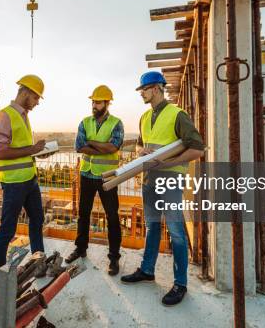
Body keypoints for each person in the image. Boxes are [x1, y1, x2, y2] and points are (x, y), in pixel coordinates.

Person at [120, 71, 205, 306]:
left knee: (176, 231)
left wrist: (168, 162)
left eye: (144, 90)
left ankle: (180, 284)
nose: (142, 94)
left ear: (156, 88)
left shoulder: (178, 115)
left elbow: (198, 149)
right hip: (149, 179)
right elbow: (140, 145)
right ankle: (147, 270)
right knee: (152, 227)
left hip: (170, 179)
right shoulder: (145, 118)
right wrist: (141, 152)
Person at [0, 74, 48, 284]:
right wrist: (32, 149)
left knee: (37, 219)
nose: (37, 102)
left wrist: (38, 152)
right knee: (7, 229)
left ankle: (39, 261)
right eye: (36, 97)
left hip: (29, 180)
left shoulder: (23, 115)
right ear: (26, 93)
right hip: (14, 183)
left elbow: (20, 149)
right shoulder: (5, 116)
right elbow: (2, 152)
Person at [65, 85, 124, 276]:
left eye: (98, 102)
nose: (94, 105)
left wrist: (90, 143)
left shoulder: (116, 123)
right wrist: (100, 146)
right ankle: (81, 248)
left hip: (107, 176)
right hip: (87, 174)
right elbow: (79, 147)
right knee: (83, 213)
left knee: (112, 217)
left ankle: (114, 257)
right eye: (93, 101)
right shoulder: (85, 122)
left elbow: (113, 147)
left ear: (107, 103)